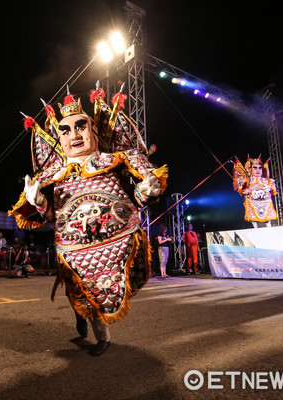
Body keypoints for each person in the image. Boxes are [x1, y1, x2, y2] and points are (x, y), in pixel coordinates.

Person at [10, 85, 168, 356]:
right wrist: (39, 202)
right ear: (59, 140)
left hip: (115, 245)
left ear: (94, 130)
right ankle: (82, 317)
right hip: (74, 252)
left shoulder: (116, 161)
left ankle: (102, 338)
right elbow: (50, 216)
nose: (74, 135)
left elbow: (135, 200)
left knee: (97, 296)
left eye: (81, 127)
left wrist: (144, 191)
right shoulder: (52, 176)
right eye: (66, 131)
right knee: (78, 292)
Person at [232, 156, 278, 228]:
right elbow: (242, 190)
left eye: (260, 168)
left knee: (268, 220)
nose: (258, 170)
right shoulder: (247, 180)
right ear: (250, 169)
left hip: (265, 202)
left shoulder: (267, 180)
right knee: (254, 220)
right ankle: (255, 228)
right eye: (255, 168)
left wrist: (267, 189)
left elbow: (272, 190)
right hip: (252, 202)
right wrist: (251, 191)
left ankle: (269, 227)